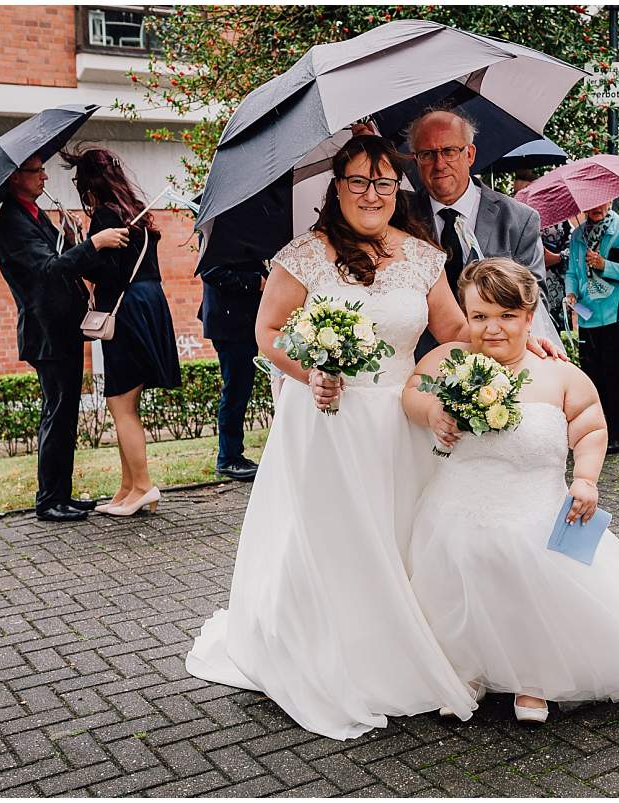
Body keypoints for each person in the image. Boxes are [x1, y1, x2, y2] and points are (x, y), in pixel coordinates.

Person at [185, 135, 484, 740]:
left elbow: (454, 330)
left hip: (401, 419)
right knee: (336, 539)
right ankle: (335, 652)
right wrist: (311, 370)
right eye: (358, 182)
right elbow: (268, 331)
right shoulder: (305, 255)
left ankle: (407, 640)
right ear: (337, 188)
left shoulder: (423, 256)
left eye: (383, 183)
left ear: (396, 190)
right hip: (328, 422)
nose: (371, 194)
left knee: (400, 534)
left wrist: (516, 339)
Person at [404, 258, 619, 723]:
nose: (492, 328)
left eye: (507, 316)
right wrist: (431, 410)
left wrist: (586, 480)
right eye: (480, 316)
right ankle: (463, 670)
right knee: (455, 592)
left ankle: (535, 679)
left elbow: (591, 426)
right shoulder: (446, 360)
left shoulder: (558, 373)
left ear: (529, 318)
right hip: (454, 510)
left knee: (531, 597)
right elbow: (411, 391)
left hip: (535, 511)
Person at [0, 155, 130, 522]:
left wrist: (73, 237)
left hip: (63, 327)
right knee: (57, 412)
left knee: (66, 413)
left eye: (41, 169)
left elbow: (64, 258)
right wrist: (96, 243)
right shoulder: (11, 223)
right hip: (46, 331)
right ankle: (50, 500)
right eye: (35, 171)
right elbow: (49, 270)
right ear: (15, 178)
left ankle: (61, 495)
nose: (43, 176)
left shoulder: (36, 215)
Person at [62, 147, 182, 517]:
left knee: (120, 404)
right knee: (126, 402)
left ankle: (143, 486)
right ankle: (128, 487)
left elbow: (108, 274)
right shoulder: (136, 213)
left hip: (126, 311)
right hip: (148, 303)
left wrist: (79, 248)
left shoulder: (105, 217)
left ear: (88, 184)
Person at [405, 108, 545, 358]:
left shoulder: (519, 219)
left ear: (469, 154)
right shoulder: (401, 217)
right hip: (422, 363)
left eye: (449, 151)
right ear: (415, 159)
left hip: (497, 363)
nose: (439, 164)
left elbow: (533, 296)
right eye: (427, 154)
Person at [564, 201, 619, 454]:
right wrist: (571, 293)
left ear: (609, 201)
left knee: (614, 373)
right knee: (592, 375)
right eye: (591, 203)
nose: (596, 207)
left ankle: (617, 433)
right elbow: (572, 273)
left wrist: (604, 265)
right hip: (589, 316)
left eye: (601, 202)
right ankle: (597, 430)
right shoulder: (577, 235)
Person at [197, 258, 269, 481]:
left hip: (246, 320)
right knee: (236, 390)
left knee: (242, 388)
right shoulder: (219, 229)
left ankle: (233, 454)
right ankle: (228, 458)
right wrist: (256, 281)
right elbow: (209, 269)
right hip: (229, 321)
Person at [514, 169, 574, 332]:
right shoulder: (515, 222)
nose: (522, 195)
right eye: (517, 192)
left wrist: (557, 257)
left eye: (526, 190)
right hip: (525, 288)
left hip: (555, 288)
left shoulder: (561, 222)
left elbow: (575, 251)